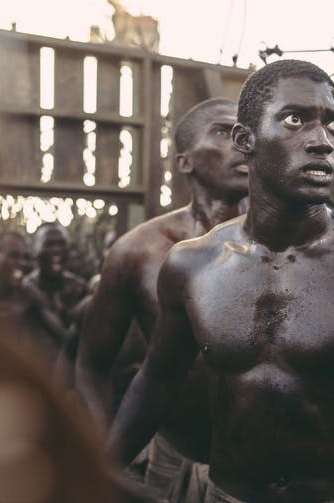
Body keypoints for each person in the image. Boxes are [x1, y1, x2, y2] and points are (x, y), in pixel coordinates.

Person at [108, 59, 334, 503]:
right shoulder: (192, 267)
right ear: (245, 140)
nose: (322, 141)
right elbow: (156, 381)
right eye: (295, 120)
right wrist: (97, 470)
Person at [76, 98, 249, 499]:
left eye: (245, 134)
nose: (240, 144)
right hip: (176, 459)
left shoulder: (288, 243)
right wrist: (104, 458)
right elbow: (91, 364)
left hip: (267, 469)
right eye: (224, 132)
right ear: (185, 161)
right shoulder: (137, 252)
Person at [23, 222, 89, 353]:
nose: (56, 250)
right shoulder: (23, 289)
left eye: (61, 244)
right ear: (35, 249)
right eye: (49, 244)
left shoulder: (79, 289)